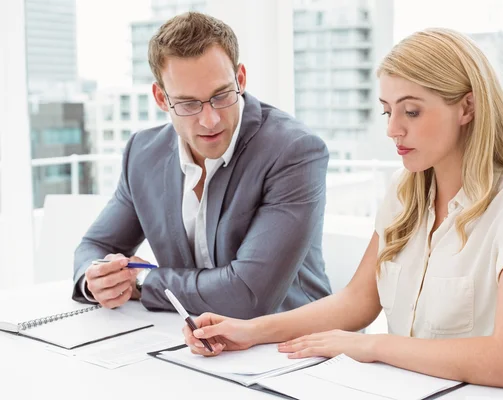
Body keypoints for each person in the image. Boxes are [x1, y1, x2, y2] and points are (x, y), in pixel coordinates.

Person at [181, 28, 503, 390]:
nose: (393, 129)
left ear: (467, 108)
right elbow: (356, 302)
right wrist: (250, 331)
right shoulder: (403, 193)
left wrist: (373, 346)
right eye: (388, 111)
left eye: (411, 111)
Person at [71, 12, 332, 317]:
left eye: (221, 96)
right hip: (186, 336)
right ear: (160, 98)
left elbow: (248, 295)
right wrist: (97, 279)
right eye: (188, 104)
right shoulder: (143, 153)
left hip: (289, 344)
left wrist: (143, 281)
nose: (210, 120)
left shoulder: (293, 151)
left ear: (241, 79)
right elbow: (95, 245)